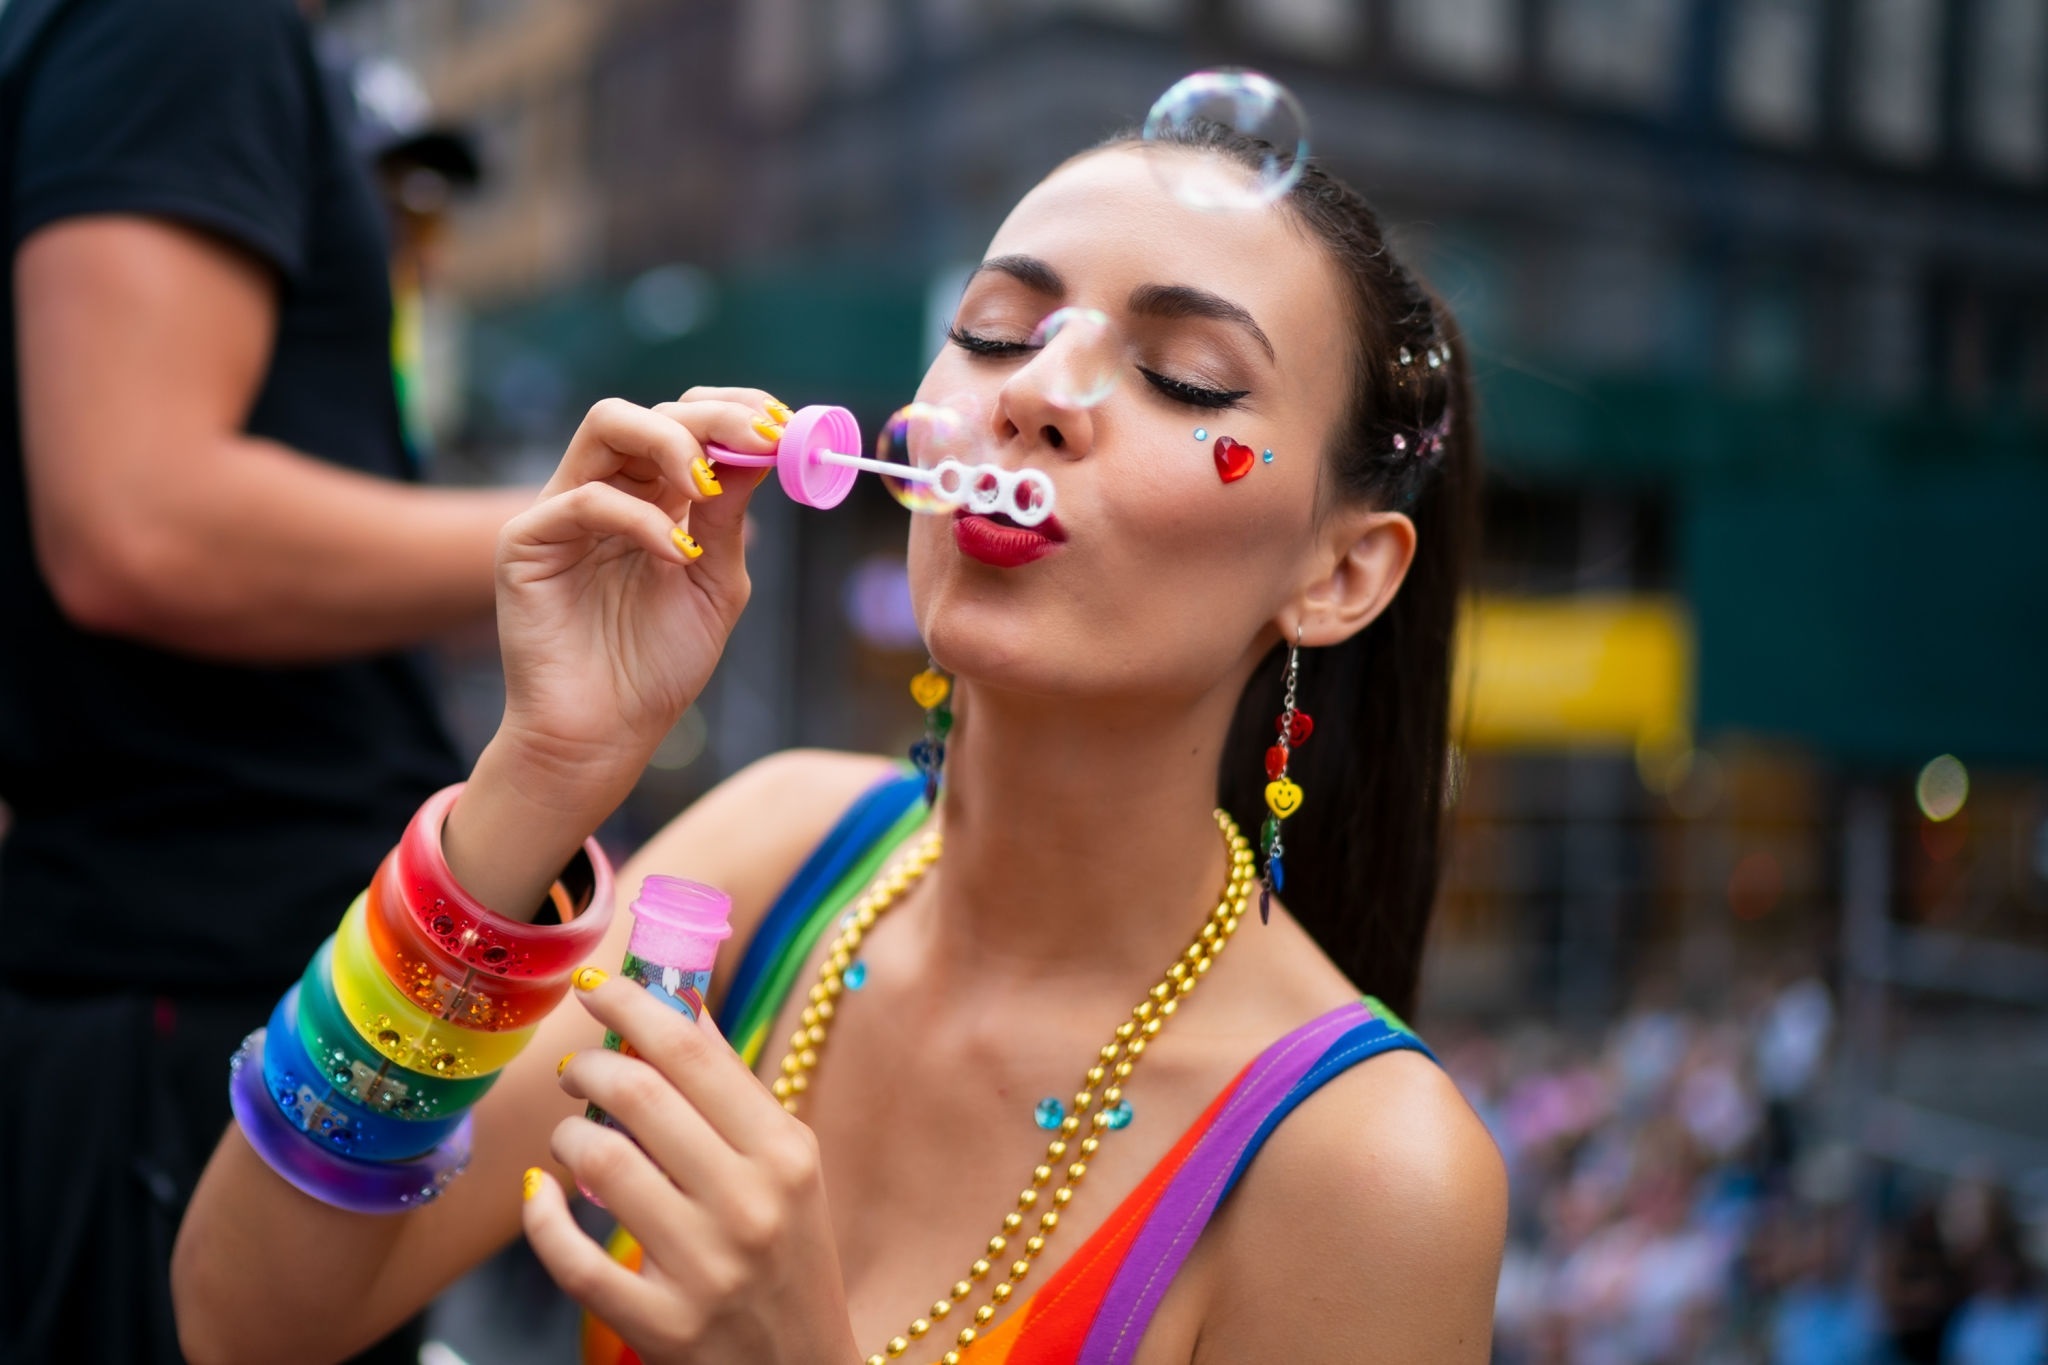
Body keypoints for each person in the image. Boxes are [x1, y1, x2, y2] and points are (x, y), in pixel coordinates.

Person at [171, 124, 1508, 1365]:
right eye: (991, 332)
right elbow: (244, 1314)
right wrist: (540, 774)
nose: (1038, 391)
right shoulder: (773, 857)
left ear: (1342, 573)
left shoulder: (1373, 1170)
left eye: (1184, 377)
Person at [0, 0, 530, 1359]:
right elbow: (137, 520)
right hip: (183, 1029)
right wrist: (564, 538)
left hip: (209, 1008)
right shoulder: (185, 25)